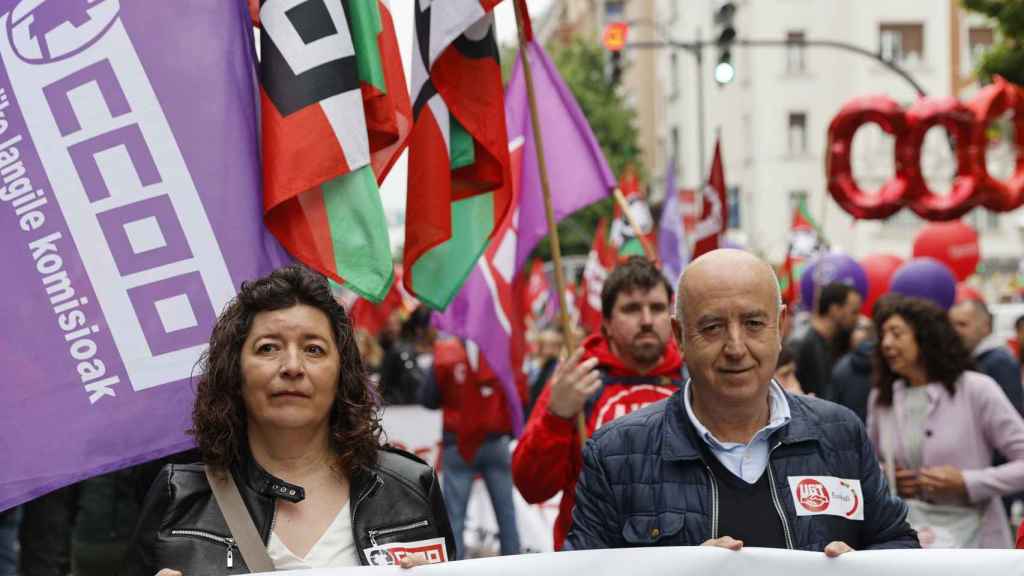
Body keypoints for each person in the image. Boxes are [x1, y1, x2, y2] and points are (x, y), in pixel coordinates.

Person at [567, 249, 918, 553]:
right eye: (713, 327)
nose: (736, 348)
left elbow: (899, 544)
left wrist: (860, 567)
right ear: (679, 336)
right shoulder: (616, 455)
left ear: (780, 326)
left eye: (753, 323)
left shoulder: (840, 433)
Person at [120, 265, 454, 575]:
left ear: (342, 371)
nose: (292, 366)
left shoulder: (411, 487)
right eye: (268, 348)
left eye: (314, 349)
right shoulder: (179, 495)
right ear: (234, 370)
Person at [512, 256, 683, 550]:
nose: (646, 320)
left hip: (680, 559)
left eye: (656, 308)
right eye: (631, 309)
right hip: (590, 557)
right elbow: (532, 487)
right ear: (606, 322)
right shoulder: (576, 379)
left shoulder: (694, 379)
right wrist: (556, 416)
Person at [868, 297, 1024, 548]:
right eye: (883, 334)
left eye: (896, 334)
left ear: (926, 336)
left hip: (977, 542)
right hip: (910, 541)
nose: (886, 343)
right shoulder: (881, 398)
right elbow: (868, 463)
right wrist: (888, 477)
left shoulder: (976, 389)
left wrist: (967, 482)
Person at [420, 336, 521, 559]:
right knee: (507, 514)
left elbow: (428, 398)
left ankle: (455, 568)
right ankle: (516, 565)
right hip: (494, 440)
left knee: (455, 517)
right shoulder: (498, 345)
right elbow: (518, 393)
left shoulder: (446, 352)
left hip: (459, 441)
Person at [785, 282, 862, 400]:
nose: (857, 318)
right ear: (834, 310)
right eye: (854, 312)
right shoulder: (801, 343)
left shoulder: (836, 341)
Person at [949, 299, 1024, 416]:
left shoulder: (999, 361)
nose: (955, 331)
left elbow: (1011, 414)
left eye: (962, 324)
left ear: (985, 326)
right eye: (951, 325)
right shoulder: (975, 357)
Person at [378, 306, 434, 405]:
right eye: (389, 325)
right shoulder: (398, 351)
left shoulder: (407, 349)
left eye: (396, 324)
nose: (392, 328)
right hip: (401, 408)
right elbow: (385, 385)